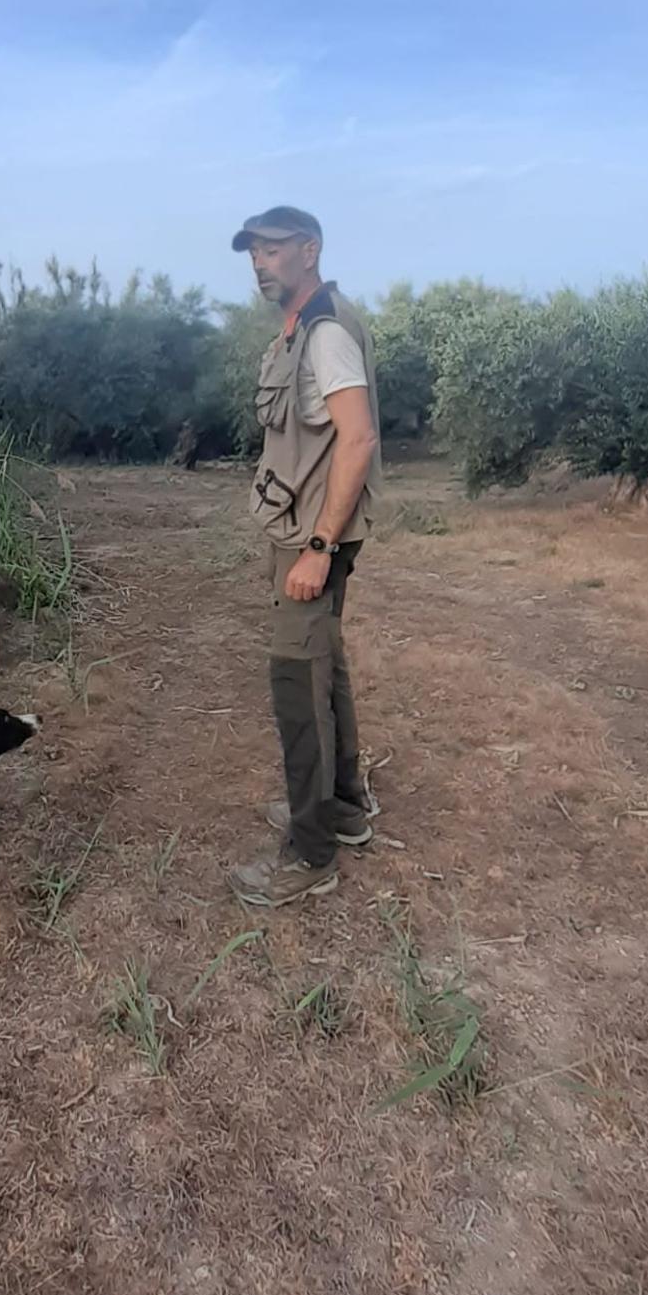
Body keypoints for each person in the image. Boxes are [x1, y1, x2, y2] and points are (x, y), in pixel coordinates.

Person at [226, 206, 381, 908]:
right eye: (254, 252)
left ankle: (311, 850)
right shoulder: (300, 328)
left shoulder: (325, 332)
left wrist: (319, 546)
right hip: (302, 531)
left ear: (309, 250)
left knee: (296, 681)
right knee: (325, 667)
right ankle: (344, 808)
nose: (261, 262)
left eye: (274, 250)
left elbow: (358, 439)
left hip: (311, 539)